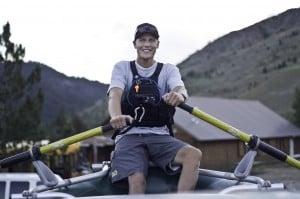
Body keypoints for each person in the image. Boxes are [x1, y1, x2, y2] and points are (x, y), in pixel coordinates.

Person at [107, 22, 202, 194]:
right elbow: (115, 94)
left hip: (160, 136)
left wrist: (179, 96)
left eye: (151, 40)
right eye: (142, 40)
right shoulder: (122, 68)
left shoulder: (168, 70)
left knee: (194, 155)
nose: (147, 44)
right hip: (129, 136)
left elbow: (179, 88)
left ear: (157, 44)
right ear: (134, 44)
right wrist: (116, 116)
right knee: (137, 180)